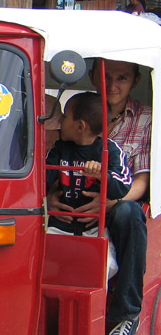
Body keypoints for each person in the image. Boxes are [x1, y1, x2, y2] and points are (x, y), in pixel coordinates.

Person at [48, 59, 150, 335]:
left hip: (119, 205)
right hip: (68, 208)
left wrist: (108, 200)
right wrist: (47, 198)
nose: (113, 85)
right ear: (92, 76)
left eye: (122, 78)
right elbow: (47, 171)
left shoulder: (143, 118)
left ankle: (125, 316)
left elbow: (139, 181)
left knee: (128, 213)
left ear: (135, 80)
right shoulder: (69, 128)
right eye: (106, 77)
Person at [46, 92, 132, 235]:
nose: (60, 120)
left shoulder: (110, 150)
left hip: (96, 227)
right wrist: (49, 196)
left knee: (107, 258)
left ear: (80, 126)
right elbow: (42, 180)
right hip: (59, 225)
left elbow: (123, 187)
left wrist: (101, 174)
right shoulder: (59, 148)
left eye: (65, 116)